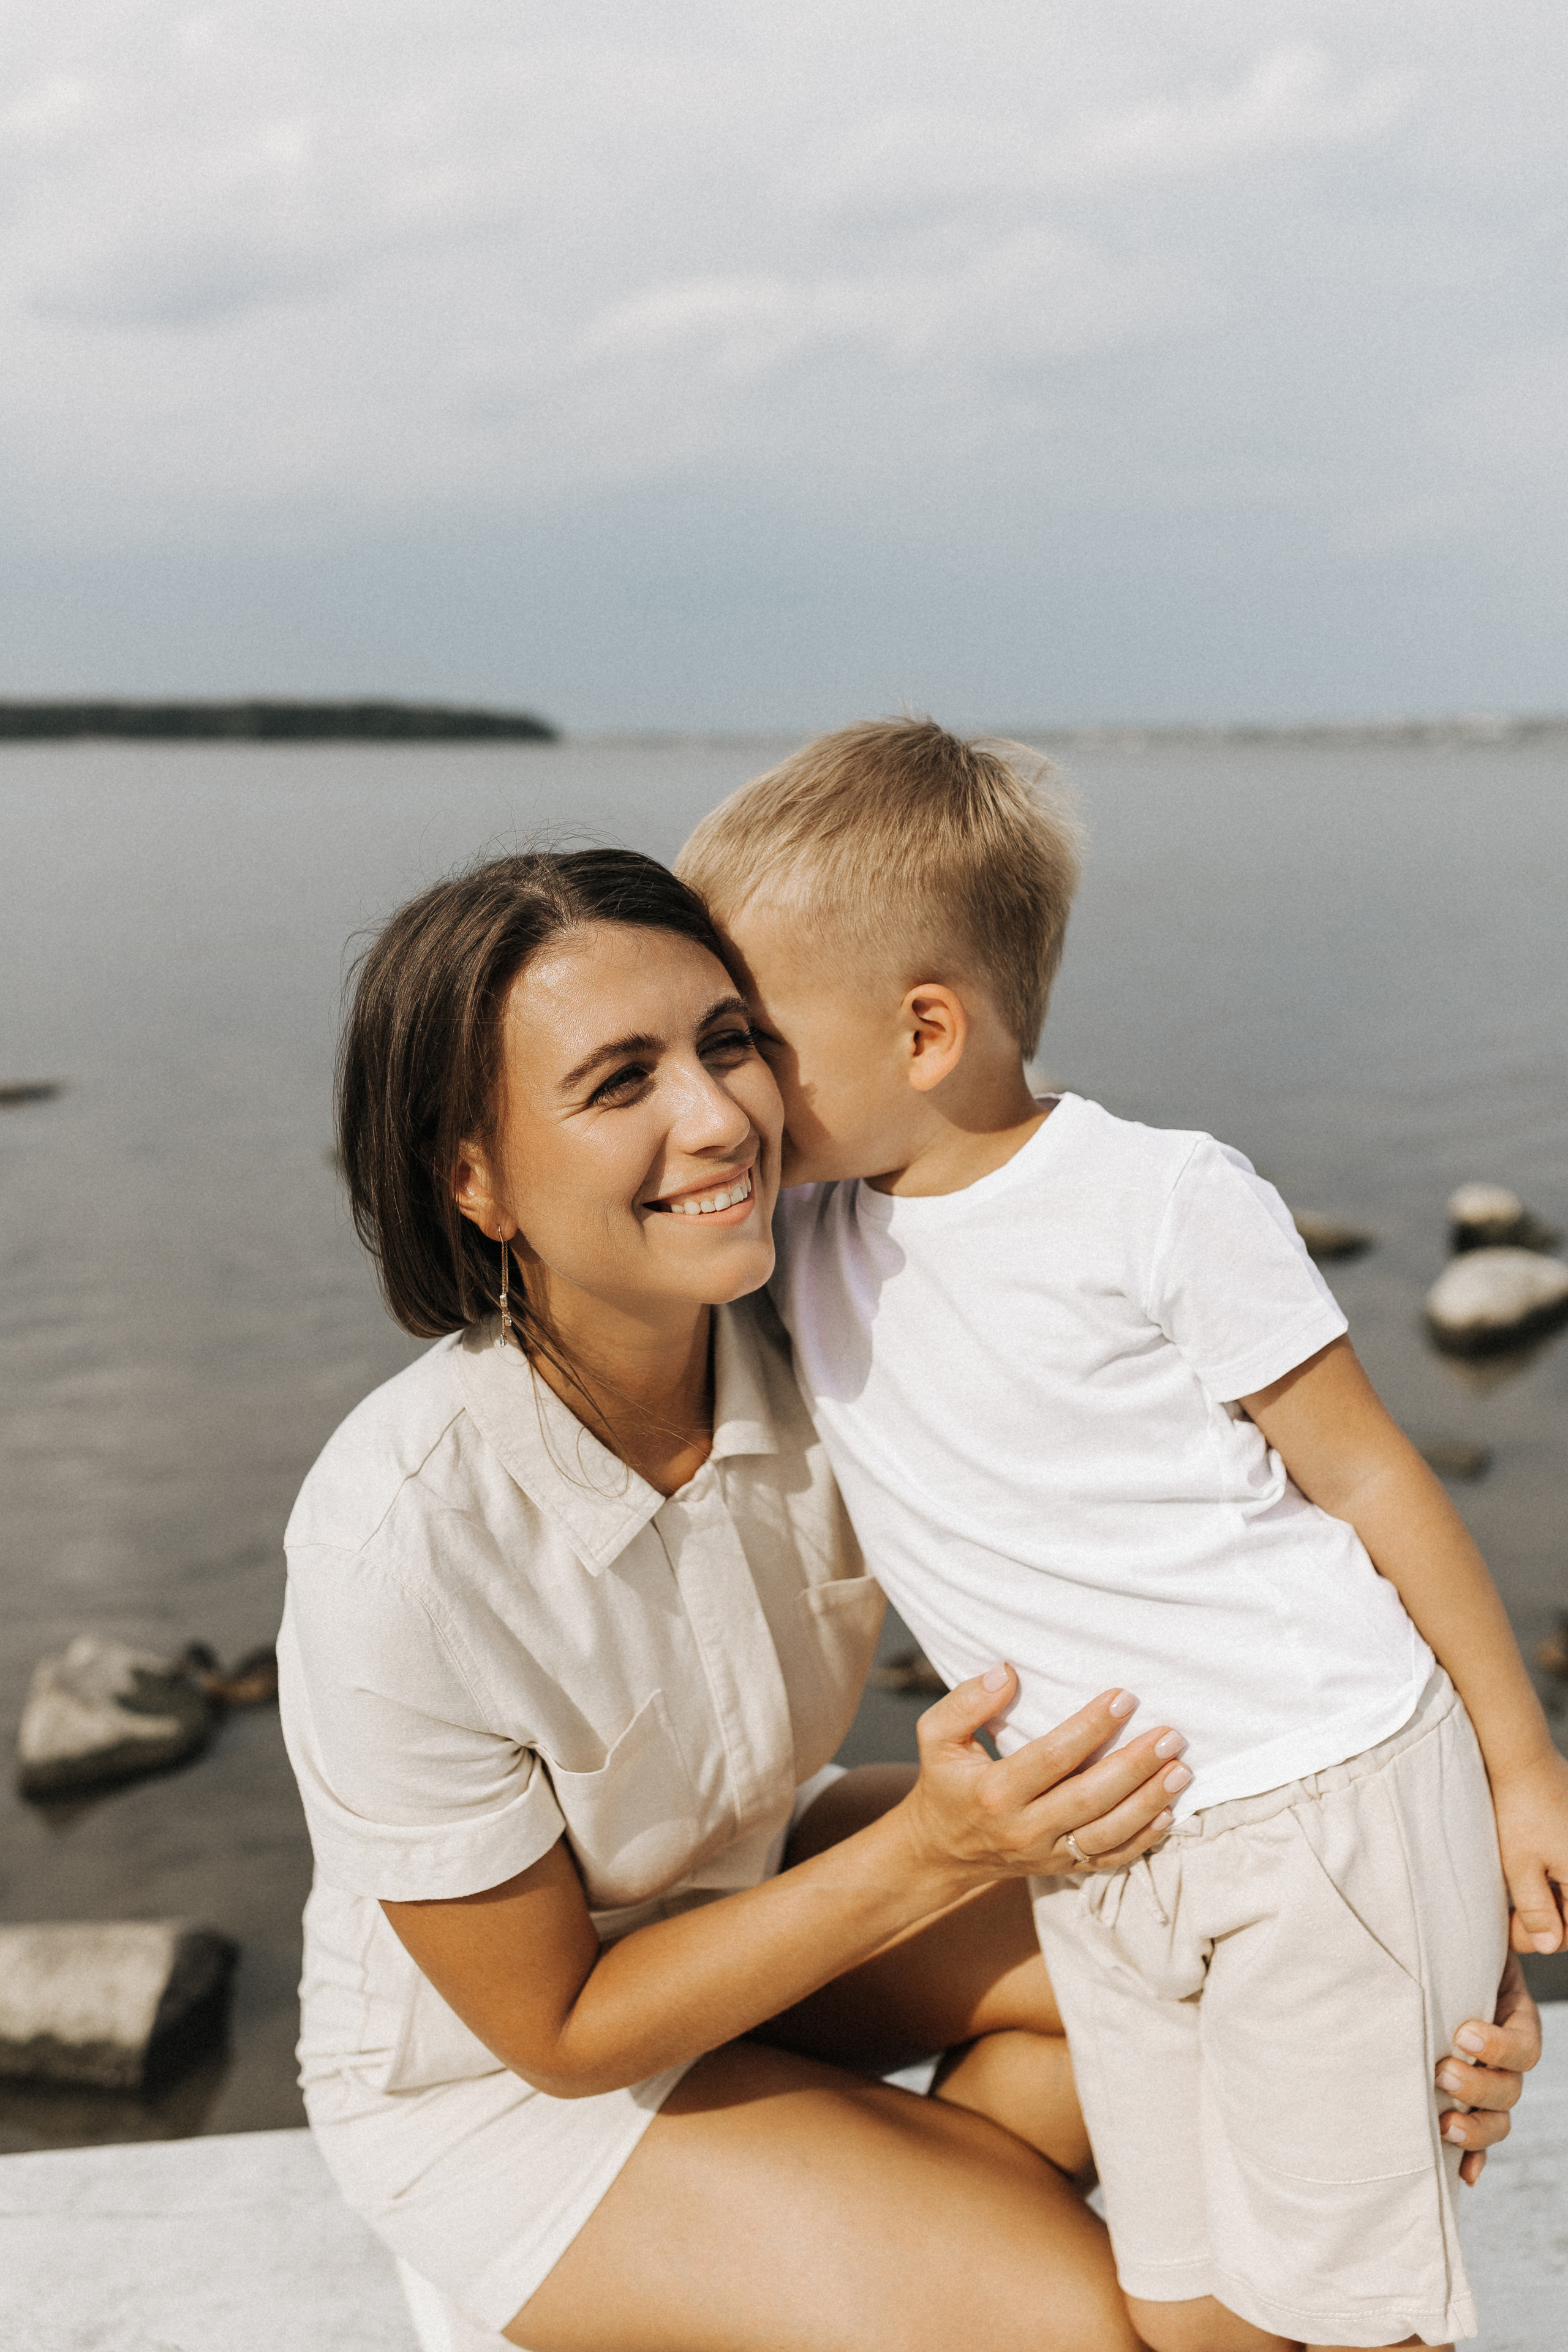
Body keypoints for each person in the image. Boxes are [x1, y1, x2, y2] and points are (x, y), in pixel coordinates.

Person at [677, 720, 1566, 2352]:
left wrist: (1518, 1769)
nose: (721, 1090)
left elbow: (1372, 1480)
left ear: (925, 1026)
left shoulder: (1159, 1199)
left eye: (750, 1038)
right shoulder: (809, 1232)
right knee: (1182, 2308)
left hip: (1319, 1806)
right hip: (1103, 1854)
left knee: (1358, 2312)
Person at [279, 846, 1205, 2352]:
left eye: (727, 1043)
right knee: (1076, 2327)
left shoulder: (851, 1318)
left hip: (758, 1888)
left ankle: (842, 2238)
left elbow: (1224, 1550)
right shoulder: (397, 1539)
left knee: (1238, 1994)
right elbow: (562, 2033)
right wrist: (927, 1849)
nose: (719, 1119)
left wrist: (1447, 1960)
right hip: (505, 2086)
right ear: (475, 1177)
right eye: (616, 1082)